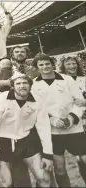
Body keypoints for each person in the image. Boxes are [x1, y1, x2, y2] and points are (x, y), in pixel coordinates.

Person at [0, 73, 53, 187]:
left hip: (26, 141)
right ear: (12, 86)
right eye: (18, 83)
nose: (22, 86)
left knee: (45, 179)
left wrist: (48, 155)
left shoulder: (37, 99)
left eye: (25, 83)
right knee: (5, 184)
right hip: (3, 142)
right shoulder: (2, 98)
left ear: (30, 85)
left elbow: (44, 127)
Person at [31, 53, 86, 187]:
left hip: (75, 130)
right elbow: (36, 108)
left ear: (53, 64)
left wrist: (71, 118)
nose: (45, 67)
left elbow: (79, 103)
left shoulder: (67, 79)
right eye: (41, 65)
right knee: (59, 169)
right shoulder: (34, 85)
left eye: (47, 63)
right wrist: (52, 120)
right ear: (37, 68)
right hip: (53, 133)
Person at [57, 55, 86, 183]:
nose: (72, 66)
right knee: (80, 155)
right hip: (74, 120)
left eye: (74, 63)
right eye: (68, 64)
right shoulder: (61, 81)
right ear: (63, 66)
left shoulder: (84, 79)